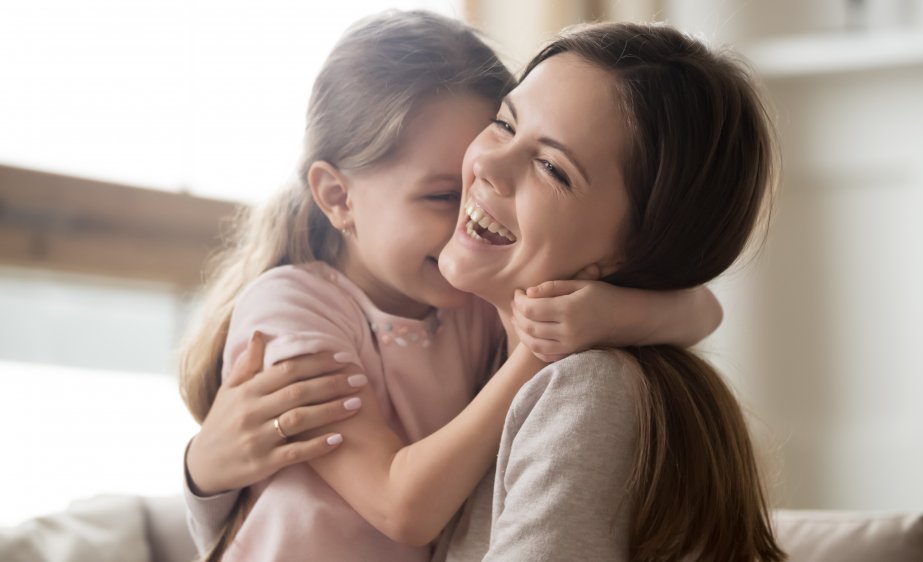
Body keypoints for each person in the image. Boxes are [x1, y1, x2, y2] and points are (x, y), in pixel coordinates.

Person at [179, 11, 725, 562]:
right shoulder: (294, 310)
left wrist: (612, 313)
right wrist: (537, 351)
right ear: (339, 198)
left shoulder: (465, 298)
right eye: (442, 197)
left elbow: (704, 310)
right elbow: (403, 509)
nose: (471, 205)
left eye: (548, 166)